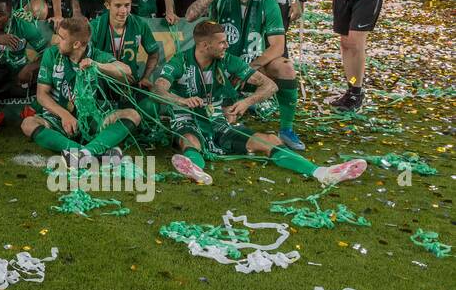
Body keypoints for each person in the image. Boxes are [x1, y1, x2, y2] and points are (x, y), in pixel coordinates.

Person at [156, 21, 366, 186]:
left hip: (218, 120)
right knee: (190, 141)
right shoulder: (180, 61)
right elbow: (159, 88)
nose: (226, 45)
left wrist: (247, 102)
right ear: (204, 45)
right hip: (187, 118)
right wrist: (182, 100)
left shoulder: (227, 60)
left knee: (269, 140)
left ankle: (321, 172)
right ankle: (195, 169)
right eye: (222, 42)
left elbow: (270, 86)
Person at [185, 0, 305, 149]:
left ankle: (287, 129)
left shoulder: (267, 0)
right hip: (221, 66)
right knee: (225, 124)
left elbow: (277, 46)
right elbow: (190, 16)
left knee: (286, 68)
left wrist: (248, 68)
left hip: (251, 66)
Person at [25, 16, 135, 166]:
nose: (57, 41)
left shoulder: (96, 56)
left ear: (76, 44)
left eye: (62, 38)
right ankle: (88, 152)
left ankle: (85, 153)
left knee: (132, 114)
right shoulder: (51, 54)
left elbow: (126, 70)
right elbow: (41, 95)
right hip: (60, 118)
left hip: (92, 118)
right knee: (28, 123)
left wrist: (97, 65)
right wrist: (64, 115)